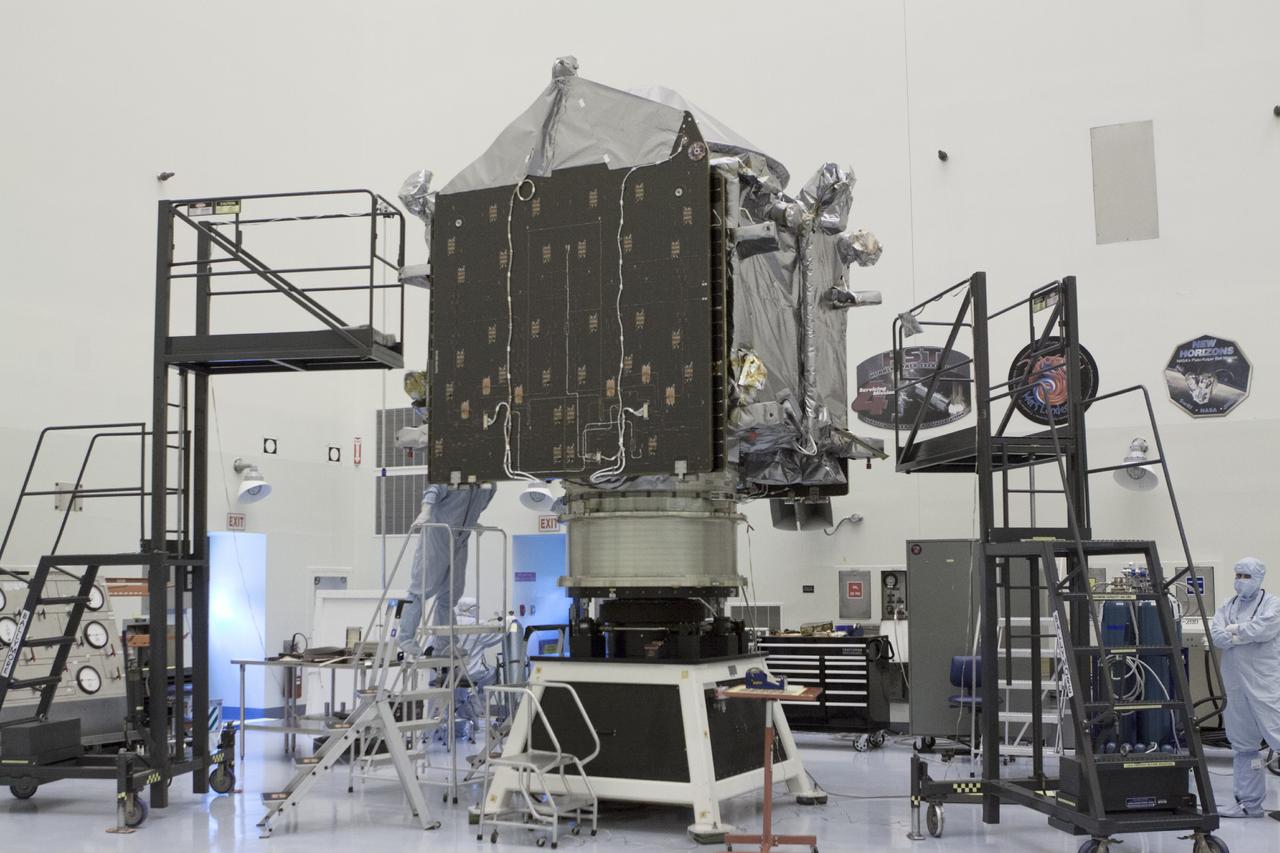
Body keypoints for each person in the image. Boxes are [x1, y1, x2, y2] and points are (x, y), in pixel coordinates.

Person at [1209, 557, 1280, 818]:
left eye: (1246, 575)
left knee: (1277, 735)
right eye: (1238, 574)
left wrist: (1235, 632)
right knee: (1243, 745)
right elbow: (1217, 636)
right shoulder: (1227, 605)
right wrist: (1240, 633)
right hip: (1236, 685)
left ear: (1260, 577)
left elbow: (1263, 630)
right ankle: (1249, 804)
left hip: (1264, 683)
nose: (1240, 580)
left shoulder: (1273, 604)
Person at [397, 483, 495, 657]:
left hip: (461, 539)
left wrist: (473, 521)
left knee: (451, 595)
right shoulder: (454, 474)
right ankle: (405, 637)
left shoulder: (488, 486)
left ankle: (444, 644)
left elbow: (479, 506)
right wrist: (426, 510)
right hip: (436, 537)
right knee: (421, 589)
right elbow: (433, 489)